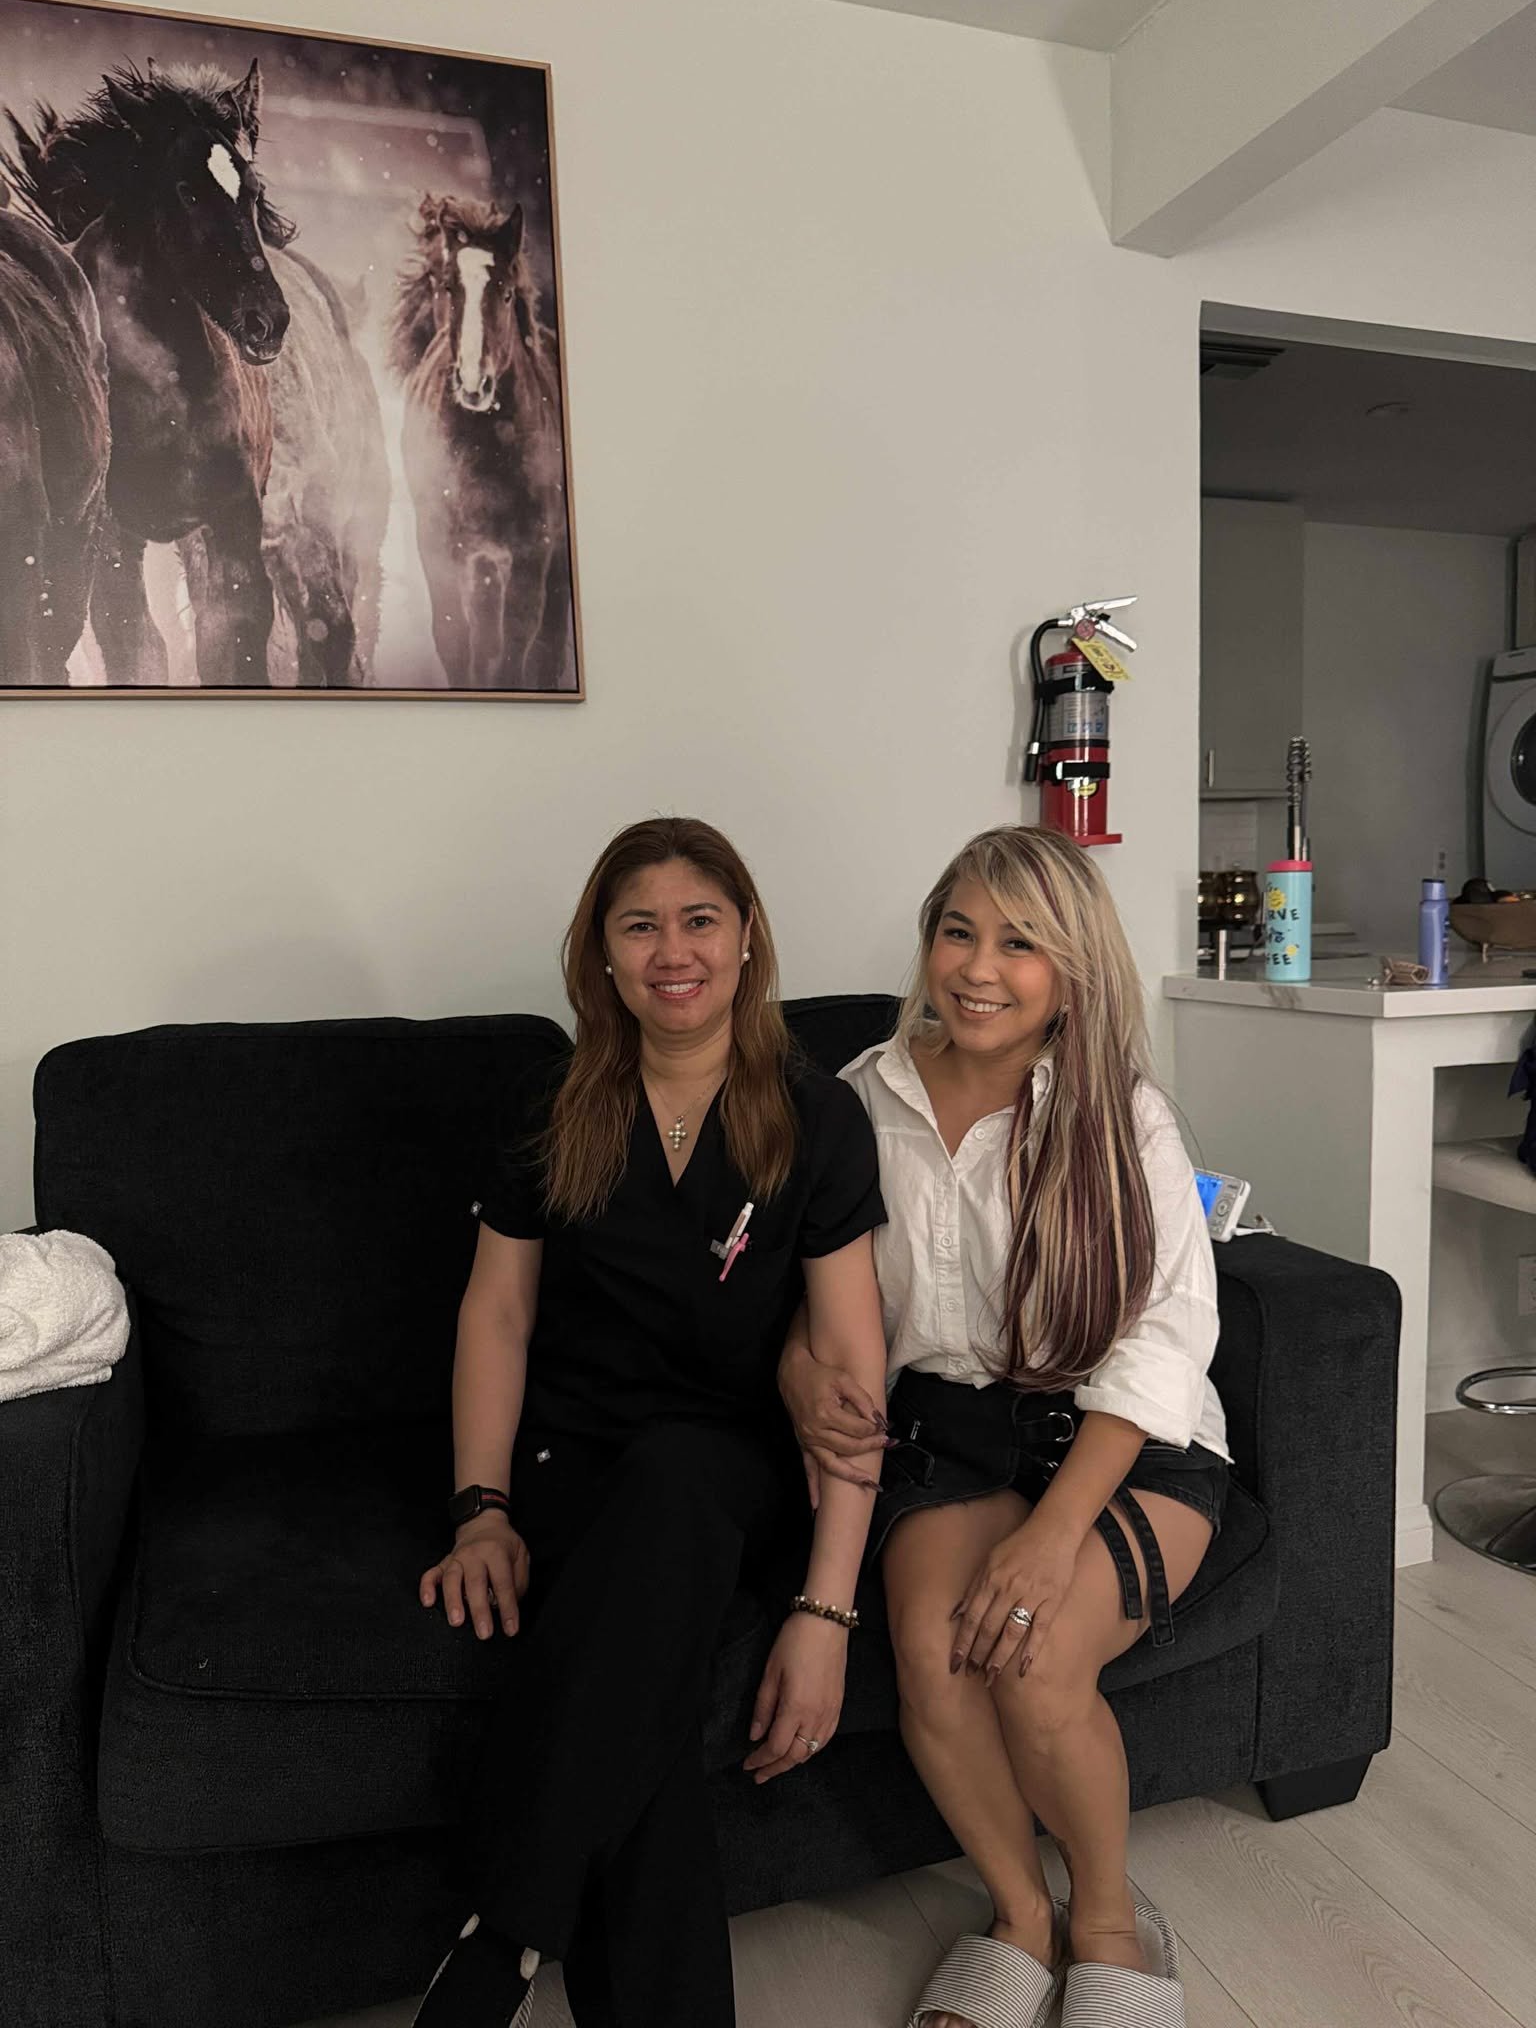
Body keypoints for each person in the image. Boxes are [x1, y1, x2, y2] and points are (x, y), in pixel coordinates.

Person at [413, 816, 888, 2028]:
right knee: (647, 1726)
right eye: (640, 924)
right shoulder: (551, 1106)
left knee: (678, 1475)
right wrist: (481, 1508)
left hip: (733, 1474)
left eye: (699, 918)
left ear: (744, 942)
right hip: (576, 1469)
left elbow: (846, 1370)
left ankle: (504, 1928)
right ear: (604, 956)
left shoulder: (816, 1115)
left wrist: (827, 1610)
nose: (672, 949)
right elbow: (498, 1315)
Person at [781, 825, 1228, 2028]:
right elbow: (812, 1287)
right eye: (959, 930)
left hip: (1129, 1437)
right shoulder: (852, 1100)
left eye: (1022, 941)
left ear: (1071, 969)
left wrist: (1054, 1533)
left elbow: (1163, 1342)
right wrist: (796, 1369)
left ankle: (1108, 1922)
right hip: (950, 1429)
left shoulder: (1122, 1116)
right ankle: (1019, 1914)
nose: (980, 966)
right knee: (933, 1653)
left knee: (1032, 1654)